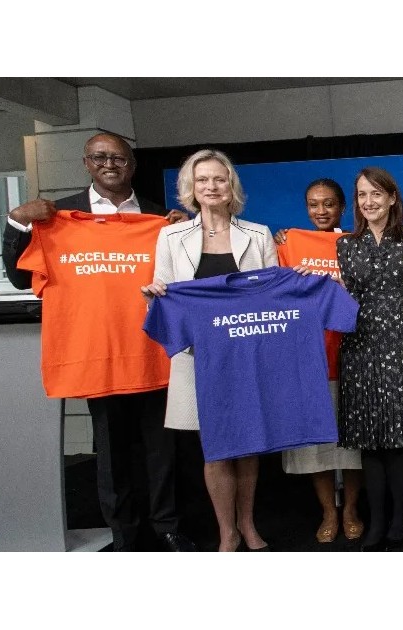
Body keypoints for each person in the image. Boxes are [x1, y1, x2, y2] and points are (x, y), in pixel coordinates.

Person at [1, 131, 194, 552]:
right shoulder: (58, 218)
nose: (110, 164)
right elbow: (20, 277)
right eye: (100, 157)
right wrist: (18, 220)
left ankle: (168, 526)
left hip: (153, 353)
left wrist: (186, 233)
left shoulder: (159, 219)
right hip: (96, 353)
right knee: (110, 452)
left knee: (164, 449)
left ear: (132, 164)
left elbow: (189, 277)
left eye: (119, 158)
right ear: (86, 163)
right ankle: (124, 534)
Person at [139, 149, 278, 552]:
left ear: (230, 185)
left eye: (219, 179)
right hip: (198, 360)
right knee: (215, 448)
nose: (211, 187)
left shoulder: (258, 234)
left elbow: (271, 297)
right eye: (203, 180)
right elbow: (162, 294)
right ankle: (227, 532)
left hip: (248, 357)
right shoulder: (170, 235)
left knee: (249, 445)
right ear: (191, 188)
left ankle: (248, 524)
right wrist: (153, 296)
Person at [338, 167, 403, 552]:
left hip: (401, 344)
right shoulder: (346, 244)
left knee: (395, 441)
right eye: (362, 195)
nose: (369, 201)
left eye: (377, 194)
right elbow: (346, 293)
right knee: (368, 442)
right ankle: (376, 522)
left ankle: (399, 518)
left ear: (392, 197)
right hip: (359, 347)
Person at [275, 179, 365, 544]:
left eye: (329, 204)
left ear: (343, 207)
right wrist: (282, 243)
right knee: (315, 449)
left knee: (354, 446)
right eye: (314, 204)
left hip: (353, 355)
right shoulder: (289, 244)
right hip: (308, 358)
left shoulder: (356, 244)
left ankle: (351, 511)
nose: (321, 211)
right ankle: (328, 512)